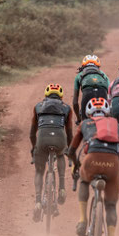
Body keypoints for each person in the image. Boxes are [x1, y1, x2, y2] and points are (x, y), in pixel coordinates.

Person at [66, 97, 119, 236]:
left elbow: (72, 150)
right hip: (112, 163)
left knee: (84, 182)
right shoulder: (116, 125)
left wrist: (76, 165)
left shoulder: (85, 124)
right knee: (111, 206)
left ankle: (83, 220)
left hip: (91, 161)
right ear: (107, 112)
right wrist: (118, 173)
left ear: (89, 112)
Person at [29, 83, 74, 222]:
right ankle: (61, 188)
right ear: (61, 96)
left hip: (42, 140)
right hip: (60, 139)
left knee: (39, 171)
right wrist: (69, 149)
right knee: (60, 154)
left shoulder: (38, 107)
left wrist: (34, 148)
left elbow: (32, 133)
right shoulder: (66, 108)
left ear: (46, 95)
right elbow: (70, 132)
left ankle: (37, 201)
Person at [72, 54, 110, 123]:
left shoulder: (79, 75)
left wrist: (78, 118)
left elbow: (75, 102)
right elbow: (110, 93)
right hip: (102, 93)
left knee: (85, 123)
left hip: (87, 94)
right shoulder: (103, 74)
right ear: (98, 66)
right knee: (104, 121)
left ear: (83, 65)